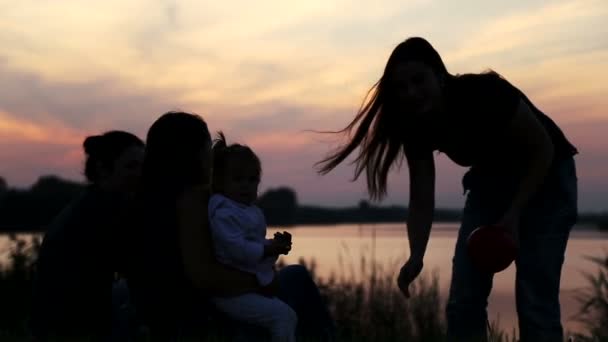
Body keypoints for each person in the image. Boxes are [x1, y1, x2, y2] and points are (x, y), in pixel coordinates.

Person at [316, 37, 578, 342]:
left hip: (546, 176)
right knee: (463, 302)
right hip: (490, 182)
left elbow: (542, 149)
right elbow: (422, 199)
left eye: (418, 80)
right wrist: (416, 255)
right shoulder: (415, 125)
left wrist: (514, 215)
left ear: (439, 75)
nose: (411, 92)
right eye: (402, 87)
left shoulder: (484, 93)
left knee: (535, 302)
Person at [125, 111, 334, 341]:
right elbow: (205, 277)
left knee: (296, 278)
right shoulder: (190, 199)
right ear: (194, 154)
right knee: (296, 281)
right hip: (205, 312)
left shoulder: (145, 200)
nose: (212, 157)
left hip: (180, 310)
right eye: (207, 147)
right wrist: (261, 282)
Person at [30, 131, 145, 341]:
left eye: (143, 166)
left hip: (57, 323)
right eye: (131, 166)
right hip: (73, 327)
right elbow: (139, 268)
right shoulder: (102, 211)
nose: (140, 173)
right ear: (103, 169)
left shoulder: (91, 201)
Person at [208, 132, 297, 342]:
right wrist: (267, 249)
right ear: (220, 182)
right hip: (230, 292)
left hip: (250, 283)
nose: (246, 185)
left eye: (252, 179)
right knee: (283, 316)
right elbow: (237, 249)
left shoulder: (248, 211)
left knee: (279, 316)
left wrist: (274, 246)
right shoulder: (224, 213)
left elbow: (253, 246)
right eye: (238, 179)